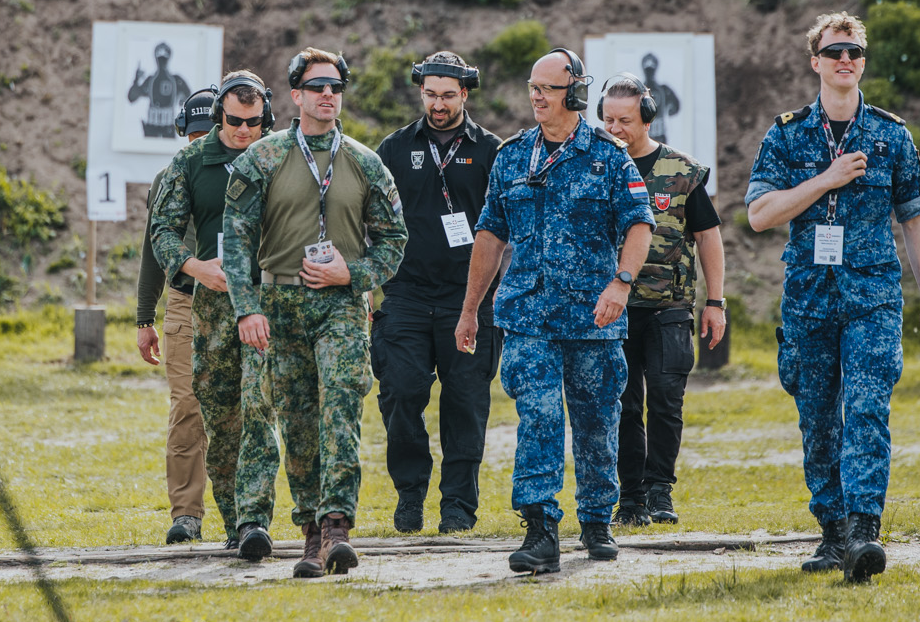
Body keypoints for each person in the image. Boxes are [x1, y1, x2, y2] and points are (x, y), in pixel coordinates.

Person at [746, 12, 920, 585]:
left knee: (865, 410)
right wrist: (827, 179)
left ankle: (863, 531)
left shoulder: (890, 134)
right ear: (815, 62)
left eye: (855, 53)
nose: (845, 61)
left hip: (873, 296)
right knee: (817, 418)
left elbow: (915, 218)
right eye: (834, 52)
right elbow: (760, 214)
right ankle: (832, 531)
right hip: (809, 297)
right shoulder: (786, 133)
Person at [457, 49, 653, 575]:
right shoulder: (512, 157)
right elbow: (491, 235)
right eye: (532, 87)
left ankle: (595, 519)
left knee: (596, 422)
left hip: (594, 318)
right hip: (526, 317)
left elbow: (639, 225)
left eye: (548, 87)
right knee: (539, 417)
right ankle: (540, 528)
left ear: (576, 93)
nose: (537, 96)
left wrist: (622, 283)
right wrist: (470, 308)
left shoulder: (611, 158)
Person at [222, 49, 406, 578]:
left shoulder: (366, 163)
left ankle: (336, 528)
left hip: (341, 307)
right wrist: (246, 309)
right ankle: (308, 535)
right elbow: (235, 241)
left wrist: (354, 275)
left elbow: (394, 240)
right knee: (298, 421)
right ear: (297, 96)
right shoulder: (263, 158)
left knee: (341, 411)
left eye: (336, 86)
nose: (329, 94)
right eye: (317, 86)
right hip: (278, 305)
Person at [372, 51, 503, 534]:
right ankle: (410, 495)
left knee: (465, 402)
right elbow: (372, 220)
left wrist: (485, 297)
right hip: (404, 293)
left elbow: (505, 226)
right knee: (401, 391)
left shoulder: (492, 151)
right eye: (431, 94)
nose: (439, 104)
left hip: (469, 298)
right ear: (420, 92)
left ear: (465, 94)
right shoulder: (393, 148)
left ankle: (458, 509)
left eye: (448, 95)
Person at [145, 74, 272, 547]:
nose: (244, 130)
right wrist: (196, 267)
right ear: (220, 114)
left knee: (260, 411)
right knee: (213, 414)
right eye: (235, 121)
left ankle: (252, 521)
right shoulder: (191, 162)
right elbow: (161, 231)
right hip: (209, 304)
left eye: (253, 122)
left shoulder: (279, 154)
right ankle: (227, 517)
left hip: (266, 301)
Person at [595, 74, 728, 528]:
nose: (615, 128)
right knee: (623, 404)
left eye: (625, 120)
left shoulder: (682, 170)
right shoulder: (594, 168)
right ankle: (629, 498)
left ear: (647, 118)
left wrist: (716, 301)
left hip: (669, 306)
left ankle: (659, 492)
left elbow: (708, 238)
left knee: (667, 400)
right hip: (613, 310)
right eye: (608, 119)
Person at [136, 89, 217, 542]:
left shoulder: (251, 169)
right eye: (195, 135)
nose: (201, 142)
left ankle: (247, 516)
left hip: (241, 302)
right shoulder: (168, 177)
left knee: (243, 410)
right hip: (186, 302)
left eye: (209, 133)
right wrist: (144, 317)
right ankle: (186, 514)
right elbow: (153, 250)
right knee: (186, 406)